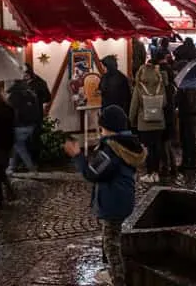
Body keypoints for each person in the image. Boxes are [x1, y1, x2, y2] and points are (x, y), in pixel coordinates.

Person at [64, 105, 146, 286]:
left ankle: (118, 279)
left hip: (113, 202)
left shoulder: (111, 150)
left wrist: (77, 155)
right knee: (110, 236)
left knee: (111, 243)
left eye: (101, 127)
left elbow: (92, 173)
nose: (100, 131)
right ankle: (111, 272)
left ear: (108, 128)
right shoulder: (127, 144)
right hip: (122, 198)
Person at [129, 58, 168, 182]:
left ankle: (150, 173)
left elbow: (134, 106)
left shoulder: (139, 87)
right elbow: (165, 102)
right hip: (159, 122)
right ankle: (156, 173)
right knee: (156, 148)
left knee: (148, 149)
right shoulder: (160, 84)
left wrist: (131, 120)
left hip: (144, 123)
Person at [7, 76, 41, 175]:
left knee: (19, 147)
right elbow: (37, 110)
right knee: (17, 146)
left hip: (19, 126)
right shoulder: (31, 94)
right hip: (31, 126)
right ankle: (11, 167)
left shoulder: (13, 96)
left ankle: (32, 168)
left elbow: (11, 113)